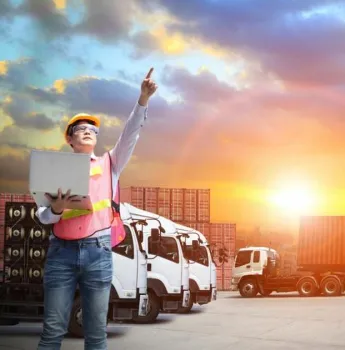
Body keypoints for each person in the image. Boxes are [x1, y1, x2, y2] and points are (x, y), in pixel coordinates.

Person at [35, 68, 158, 350]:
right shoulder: (50, 169)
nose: (89, 132)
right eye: (82, 129)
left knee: (96, 334)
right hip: (61, 253)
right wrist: (56, 209)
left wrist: (142, 100)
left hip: (97, 252)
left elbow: (130, 135)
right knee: (52, 331)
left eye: (93, 130)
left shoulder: (110, 163)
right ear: (69, 139)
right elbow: (43, 216)